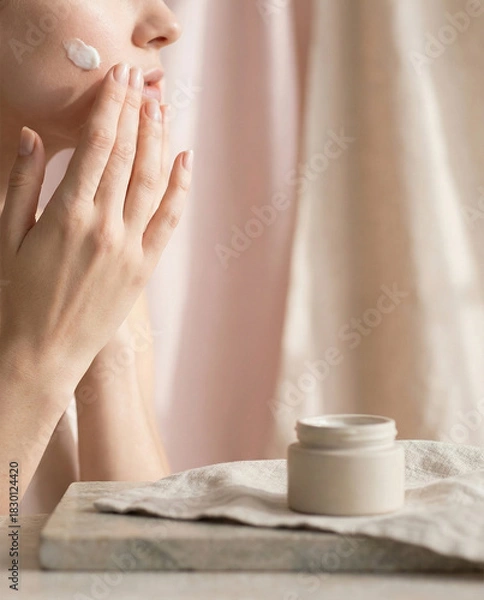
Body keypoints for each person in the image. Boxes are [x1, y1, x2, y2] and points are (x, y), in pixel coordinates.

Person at [0, 0, 193, 514]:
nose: (166, 27)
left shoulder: (79, 248)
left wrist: (108, 319)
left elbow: (143, 575)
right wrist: (43, 356)